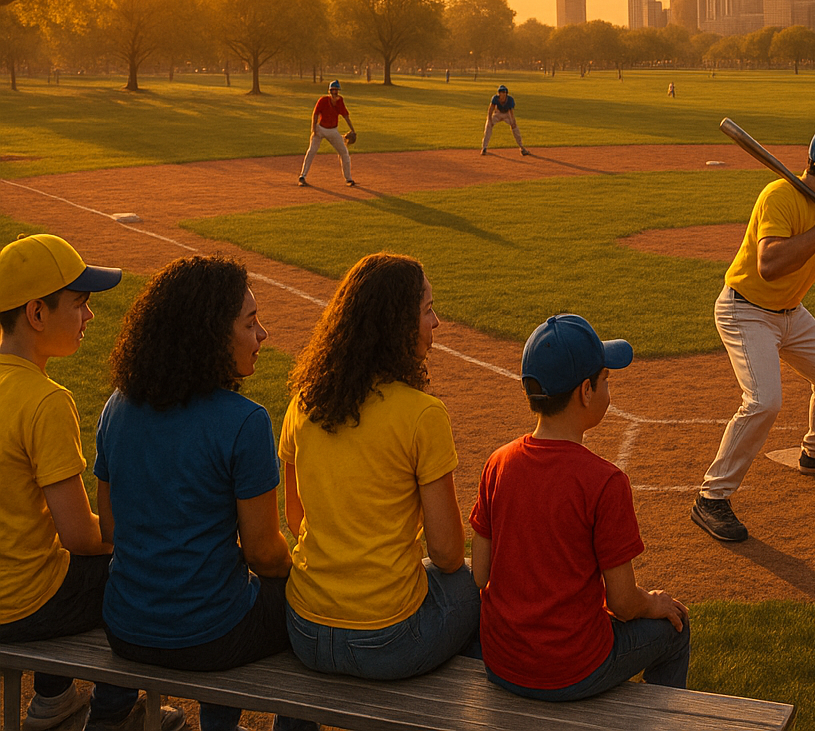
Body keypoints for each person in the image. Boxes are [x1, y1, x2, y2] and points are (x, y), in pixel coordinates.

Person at [94, 258, 315, 731]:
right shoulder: (245, 420)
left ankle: (109, 712)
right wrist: (303, 567)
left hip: (124, 630)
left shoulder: (117, 405)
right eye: (250, 323)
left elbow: (110, 528)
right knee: (307, 608)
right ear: (210, 336)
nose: (263, 335)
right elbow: (263, 554)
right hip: (210, 638)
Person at [0, 235, 179, 731]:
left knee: (43, 549)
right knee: (135, 573)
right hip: (21, 606)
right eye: (79, 304)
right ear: (37, 314)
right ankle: (113, 712)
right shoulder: (44, 400)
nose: (90, 316)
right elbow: (81, 536)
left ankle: (53, 698)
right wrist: (146, 539)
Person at [281, 253, 479, 679]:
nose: (437, 323)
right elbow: (445, 554)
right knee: (468, 585)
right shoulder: (423, 415)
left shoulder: (303, 401)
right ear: (397, 327)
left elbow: (294, 516)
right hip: (386, 640)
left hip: (304, 627)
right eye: (427, 311)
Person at [472, 314, 689, 700]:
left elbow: (481, 574)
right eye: (606, 380)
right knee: (676, 628)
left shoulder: (498, 462)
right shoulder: (604, 481)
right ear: (585, 392)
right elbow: (622, 603)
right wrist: (652, 602)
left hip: (501, 662)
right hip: (572, 671)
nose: (608, 388)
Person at [690, 123, 815, 543]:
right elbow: (769, 264)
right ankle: (712, 497)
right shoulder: (778, 195)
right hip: (745, 310)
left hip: (789, 312)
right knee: (764, 401)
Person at [298, 80, 356, 187]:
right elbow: (315, 114)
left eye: (336, 90)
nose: (335, 92)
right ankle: (302, 176)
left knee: (344, 153)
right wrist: (314, 128)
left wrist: (353, 129)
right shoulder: (323, 100)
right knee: (311, 151)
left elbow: (345, 116)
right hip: (320, 129)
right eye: (333, 90)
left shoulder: (340, 101)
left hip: (333, 131)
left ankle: (348, 179)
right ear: (329, 91)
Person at [481, 85, 529, 156]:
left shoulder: (510, 100)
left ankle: (522, 148)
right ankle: (484, 148)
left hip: (507, 114)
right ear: (499, 93)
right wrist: (489, 119)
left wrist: (513, 121)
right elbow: (490, 109)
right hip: (497, 113)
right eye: (501, 92)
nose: (503, 93)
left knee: (515, 127)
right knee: (488, 126)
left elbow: (511, 112)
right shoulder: (495, 98)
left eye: (504, 92)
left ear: (506, 93)